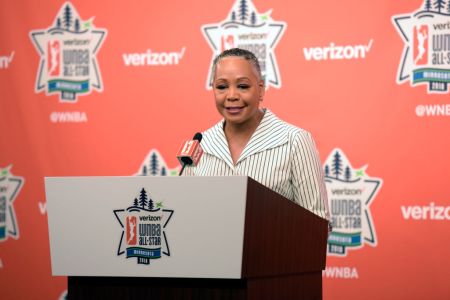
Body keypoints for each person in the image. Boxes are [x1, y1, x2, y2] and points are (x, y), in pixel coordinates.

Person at [184, 48, 329, 220]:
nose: (231, 95)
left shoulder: (295, 141)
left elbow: (317, 224)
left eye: (243, 86)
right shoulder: (200, 145)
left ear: (260, 89)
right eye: (222, 87)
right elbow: (186, 214)